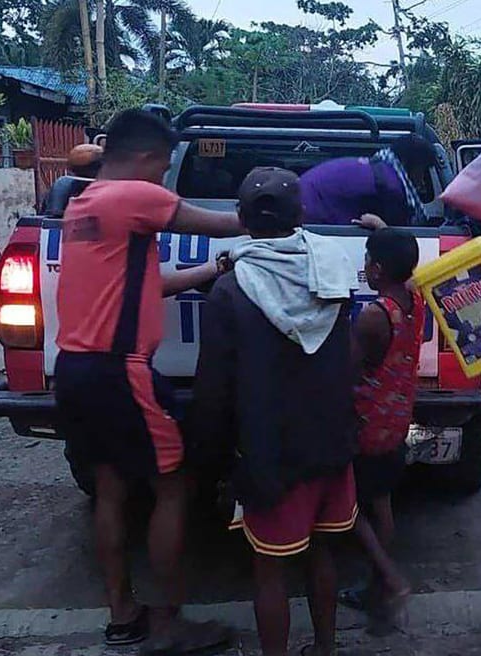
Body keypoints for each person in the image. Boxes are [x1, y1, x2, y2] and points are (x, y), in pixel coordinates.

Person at [53, 109, 243, 650]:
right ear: (143, 159)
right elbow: (224, 221)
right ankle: (168, 624)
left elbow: (141, 282)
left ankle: (122, 614)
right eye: (162, 166)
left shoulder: (84, 204)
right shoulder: (136, 196)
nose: (164, 177)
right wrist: (269, 211)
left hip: (77, 367)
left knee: (113, 488)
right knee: (175, 484)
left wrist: (210, 272)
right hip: (121, 371)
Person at [191, 167, 359, 656]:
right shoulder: (331, 269)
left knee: (270, 568)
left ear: (240, 219)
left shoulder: (231, 288)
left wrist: (211, 460)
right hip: (330, 438)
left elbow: (213, 389)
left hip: (269, 451)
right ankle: (325, 648)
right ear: (301, 214)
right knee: (322, 552)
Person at [341, 215, 423, 632]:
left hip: (364, 423)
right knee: (380, 502)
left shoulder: (374, 316)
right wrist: (383, 229)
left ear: (376, 270)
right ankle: (374, 586)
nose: (366, 268)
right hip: (395, 420)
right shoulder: (414, 297)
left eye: (369, 262)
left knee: (345, 504)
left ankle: (389, 579)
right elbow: (404, 263)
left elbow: (347, 371)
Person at [298, 134, 437, 227]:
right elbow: (394, 240)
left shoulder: (379, 169)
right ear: (408, 163)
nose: (423, 182)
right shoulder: (390, 185)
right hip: (308, 218)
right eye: (423, 170)